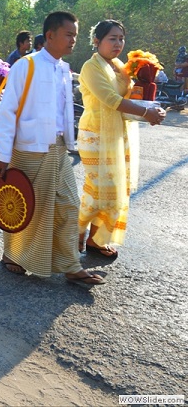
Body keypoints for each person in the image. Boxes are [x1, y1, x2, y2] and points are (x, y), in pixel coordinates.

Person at [0, 11, 105, 285]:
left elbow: (65, 111)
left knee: (69, 205)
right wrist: (2, 155)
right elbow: (7, 112)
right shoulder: (26, 65)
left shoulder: (64, 69)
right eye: (69, 35)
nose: (73, 40)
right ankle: (12, 254)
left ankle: (69, 264)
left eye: (75, 35)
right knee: (27, 207)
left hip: (57, 148)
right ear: (51, 35)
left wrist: (71, 142)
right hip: (28, 148)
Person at [77, 19, 166, 259]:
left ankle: (96, 240)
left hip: (117, 133)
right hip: (94, 135)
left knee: (114, 190)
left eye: (121, 38)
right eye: (112, 38)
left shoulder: (120, 66)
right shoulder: (90, 67)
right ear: (97, 41)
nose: (118, 43)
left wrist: (150, 101)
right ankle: (75, 232)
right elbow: (111, 100)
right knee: (98, 189)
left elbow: (130, 97)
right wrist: (147, 113)